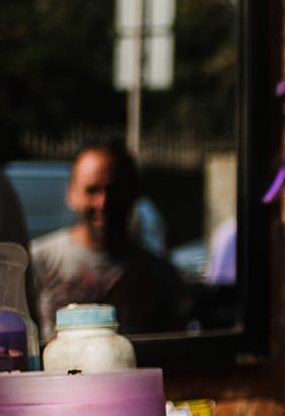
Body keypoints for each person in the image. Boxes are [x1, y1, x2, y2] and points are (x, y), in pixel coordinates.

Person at [31, 140, 191, 338]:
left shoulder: (160, 275)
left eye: (114, 190)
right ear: (71, 194)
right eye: (92, 190)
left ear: (134, 193)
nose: (103, 202)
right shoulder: (37, 262)